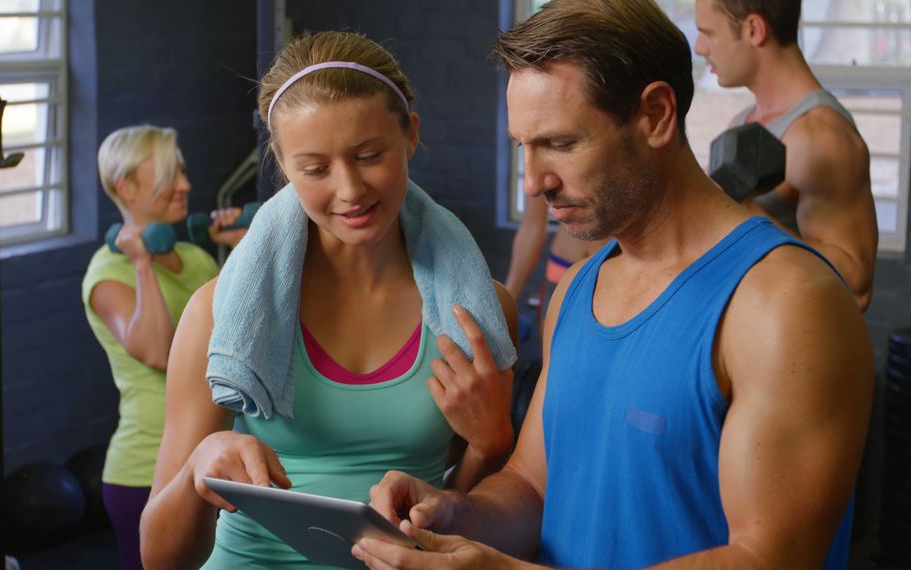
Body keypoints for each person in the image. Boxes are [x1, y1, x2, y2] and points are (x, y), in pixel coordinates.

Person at [354, 1, 873, 568]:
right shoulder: (575, 290)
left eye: (559, 143)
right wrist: (455, 513)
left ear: (655, 114)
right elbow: (531, 487)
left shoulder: (786, 305)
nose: (533, 182)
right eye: (521, 146)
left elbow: (771, 557)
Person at [138, 31, 519, 569]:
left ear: (410, 134)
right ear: (281, 162)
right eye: (315, 169)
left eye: (369, 155)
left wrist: (491, 443)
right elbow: (160, 559)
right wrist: (199, 466)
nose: (349, 190)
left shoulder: (476, 313)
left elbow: (475, 527)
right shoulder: (216, 312)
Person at [81, 124, 246, 570]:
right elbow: (156, 351)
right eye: (170, 175)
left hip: (215, 460)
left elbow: (243, 337)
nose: (186, 185)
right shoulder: (107, 274)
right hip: (145, 470)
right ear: (126, 187)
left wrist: (250, 252)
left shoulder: (196, 259)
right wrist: (141, 263)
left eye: (184, 171)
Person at [694, 0, 877, 311]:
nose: (699, 47)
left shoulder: (819, 137)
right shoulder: (743, 121)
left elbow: (855, 286)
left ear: (754, 30)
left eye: (708, 33)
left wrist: (747, 212)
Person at [505, 195, 608, 325]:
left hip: (618, 269)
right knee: (553, 345)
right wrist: (508, 299)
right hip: (562, 268)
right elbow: (532, 225)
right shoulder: (538, 178)